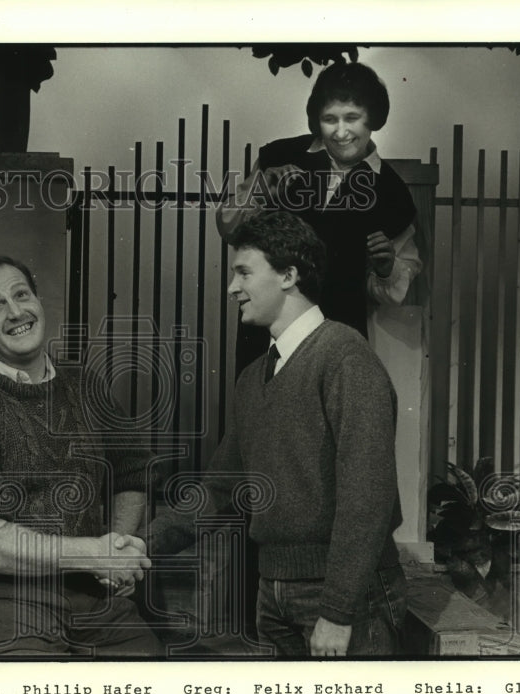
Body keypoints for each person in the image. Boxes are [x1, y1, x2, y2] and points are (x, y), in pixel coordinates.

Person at [151, 211, 408, 657]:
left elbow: (367, 496)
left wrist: (338, 610)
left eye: (244, 272)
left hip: (341, 600)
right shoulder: (254, 378)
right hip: (273, 594)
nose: (232, 287)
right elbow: (218, 489)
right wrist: (140, 545)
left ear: (288, 275)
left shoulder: (345, 357)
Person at [0, 256, 162, 658]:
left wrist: (118, 547)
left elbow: (132, 471)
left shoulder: (85, 386)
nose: (16, 312)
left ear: (38, 300)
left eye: (21, 294)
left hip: (92, 601)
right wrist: (92, 555)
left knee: (156, 689)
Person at [216, 61, 422, 368]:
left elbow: (394, 287)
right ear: (317, 120)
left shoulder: (393, 193)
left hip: (338, 335)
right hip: (265, 333)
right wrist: (261, 191)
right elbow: (228, 227)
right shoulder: (278, 158)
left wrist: (386, 267)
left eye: (352, 118)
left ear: (373, 119)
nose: (341, 132)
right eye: (330, 119)